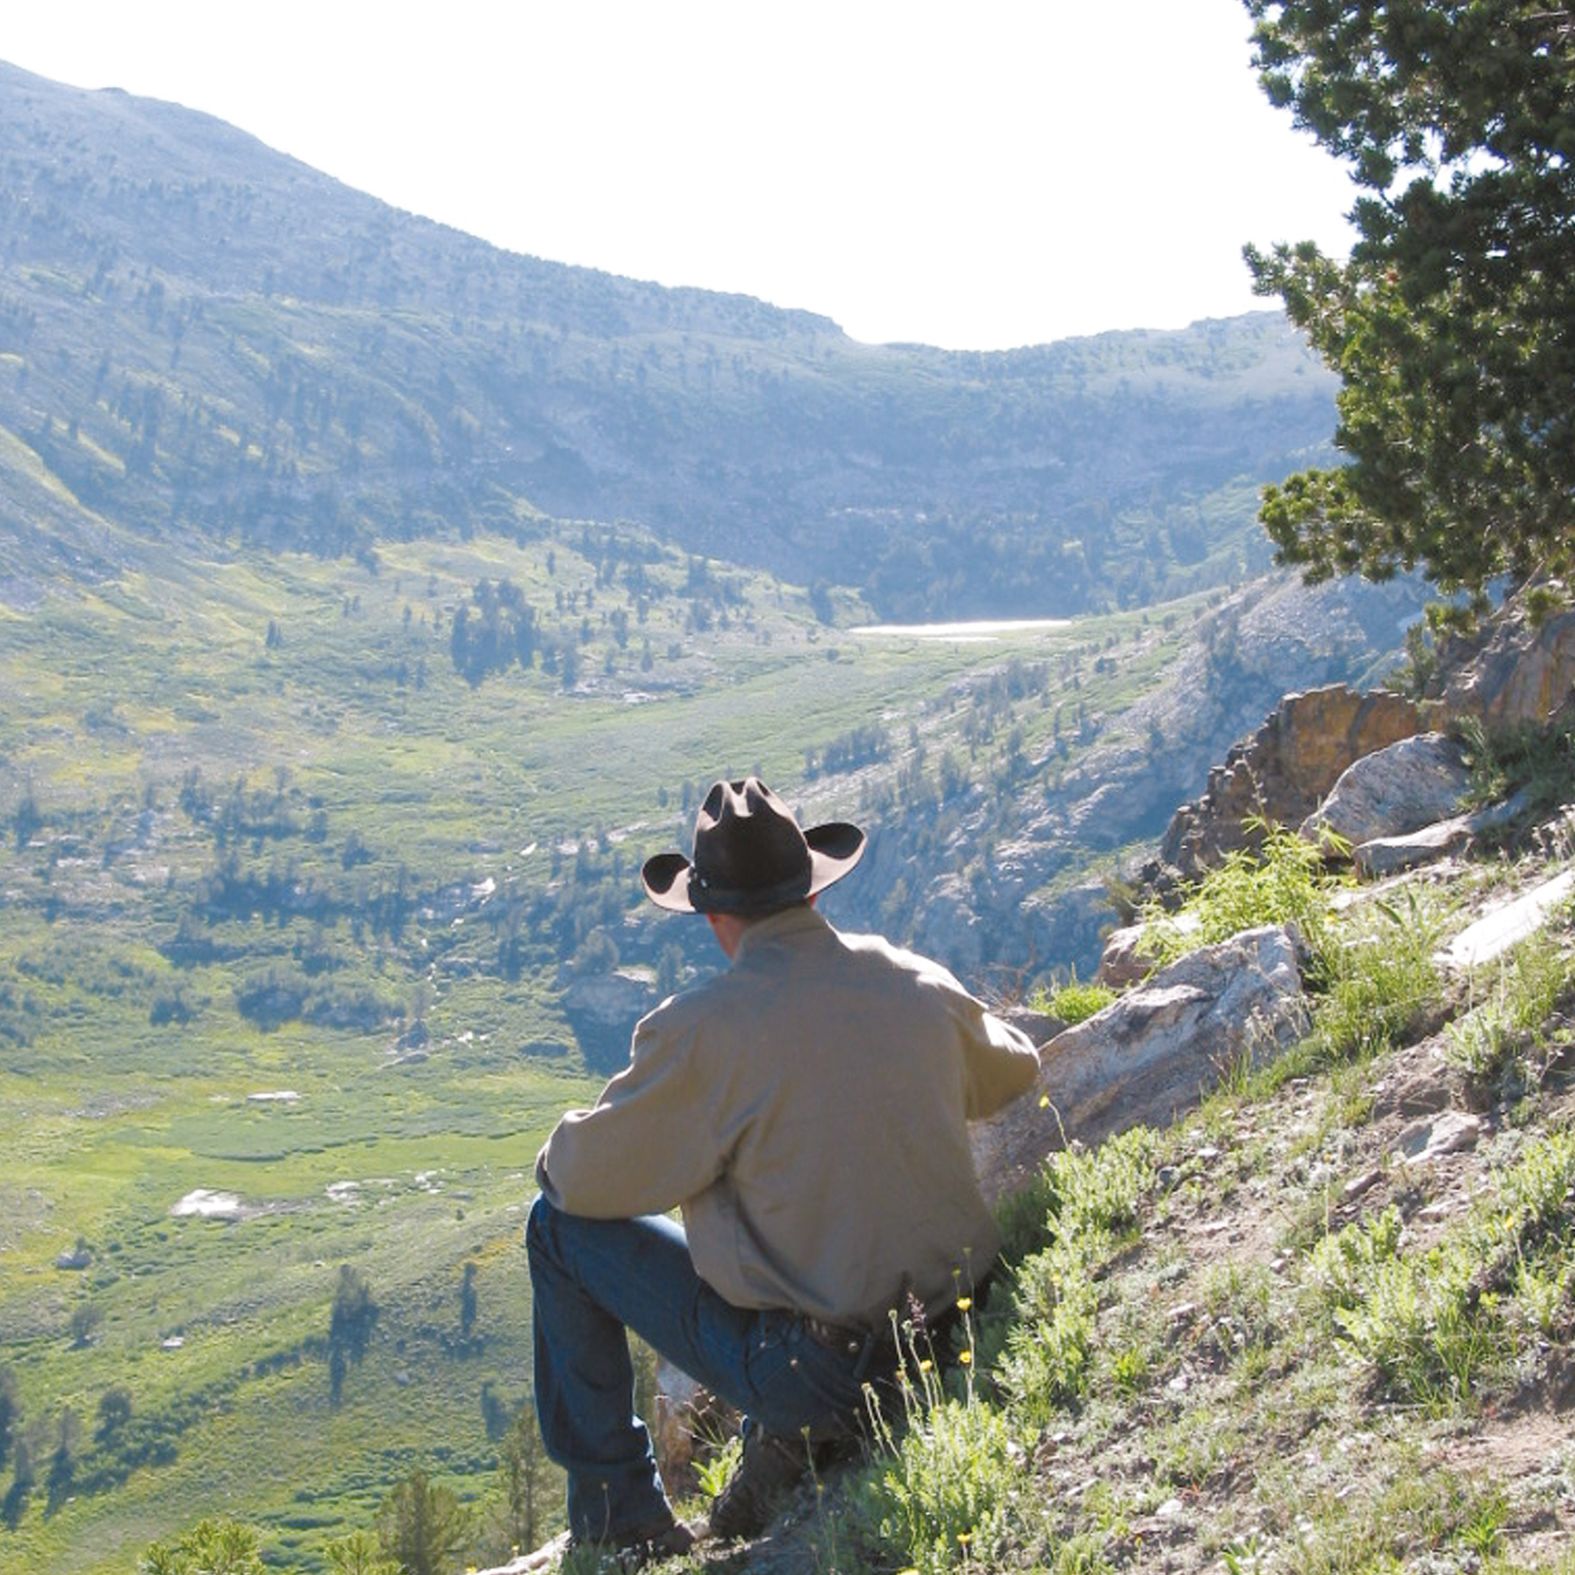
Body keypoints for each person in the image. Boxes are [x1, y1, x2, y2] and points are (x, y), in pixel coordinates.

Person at [527, 777, 1040, 1561]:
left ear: (711, 915)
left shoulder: (704, 1030)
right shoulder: (910, 976)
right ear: (810, 886)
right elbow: (1016, 1069)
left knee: (556, 1232)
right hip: (954, 1325)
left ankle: (618, 1516)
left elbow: (574, 1180)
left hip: (819, 1372)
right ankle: (782, 1447)